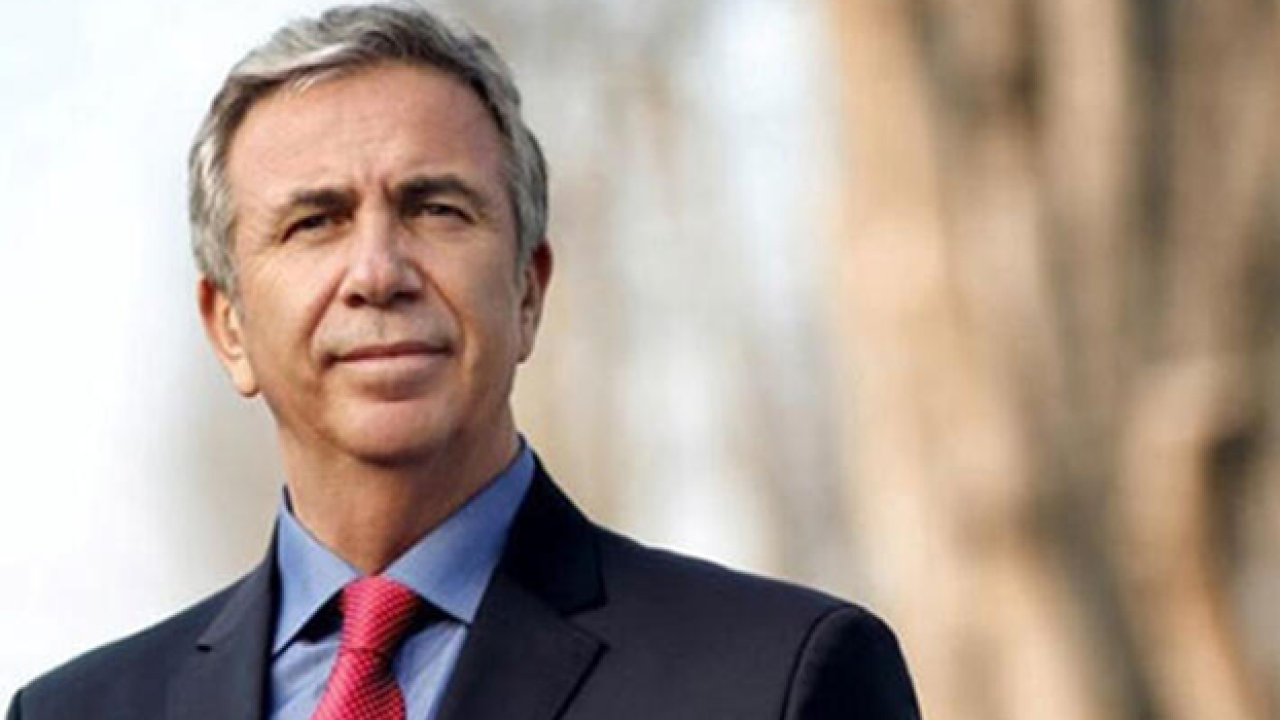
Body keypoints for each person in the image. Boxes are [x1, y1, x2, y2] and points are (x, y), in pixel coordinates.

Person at [6, 3, 921, 719]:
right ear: (228, 327)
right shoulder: (73, 713)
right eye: (315, 221)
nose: (378, 272)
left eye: (436, 210)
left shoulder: (778, 679)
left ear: (527, 292)